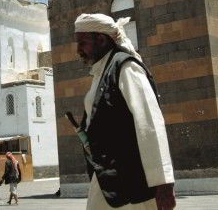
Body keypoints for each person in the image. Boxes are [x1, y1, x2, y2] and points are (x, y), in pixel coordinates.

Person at [74, 13, 175, 210]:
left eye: (83, 43)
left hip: (130, 180)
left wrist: (163, 183)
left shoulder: (125, 67)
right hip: (107, 177)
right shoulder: (101, 71)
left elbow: (149, 123)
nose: (78, 50)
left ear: (101, 39)